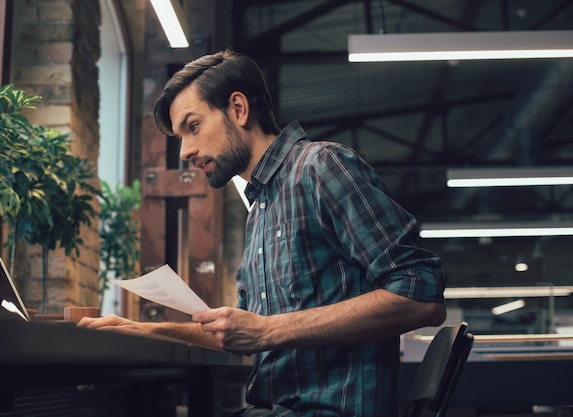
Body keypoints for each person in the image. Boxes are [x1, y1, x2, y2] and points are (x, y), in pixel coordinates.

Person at [80, 49, 447, 416]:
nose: (185, 152)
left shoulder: (320, 167)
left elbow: (420, 295)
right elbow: (244, 333)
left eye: (193, 127)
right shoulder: (260, 209)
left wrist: (268, 330)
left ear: (238, 109)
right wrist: (146, 331)